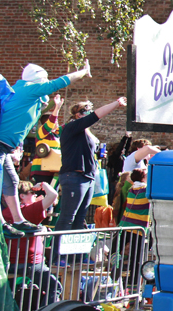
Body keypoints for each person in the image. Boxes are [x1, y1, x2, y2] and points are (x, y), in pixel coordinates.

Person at [0, 61, 91, 237]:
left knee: (12, 182)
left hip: (5, 147)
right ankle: (0, 222)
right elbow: (61, 82)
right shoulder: (30, 88)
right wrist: (83, 72)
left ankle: (18, 221)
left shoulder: (25, 93)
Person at [52, 97, 127, 264]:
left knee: (80, 218)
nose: (87, 114)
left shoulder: (85, 133)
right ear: (78, 115)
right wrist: (116, 103)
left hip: (87, 177)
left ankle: (77, 256)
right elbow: (96, 116)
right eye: (84, 112)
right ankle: (57, 256)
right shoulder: (72, 127)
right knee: (67, 217)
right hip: (74, 176)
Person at [5, 181, 62, 307]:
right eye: (32, 192)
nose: (35, 195)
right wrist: (43, 184)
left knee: (9, 292)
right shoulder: (30, 210)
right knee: (55, 287)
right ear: (21, 196)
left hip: (9, 263)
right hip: (32, 263)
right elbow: (52, 195)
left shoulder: (4, 213)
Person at [118, 168, 150, 289]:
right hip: (139, 228)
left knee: (119, 253)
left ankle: (115, 275)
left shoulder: (131, 190)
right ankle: (134, 284)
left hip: (126, 225)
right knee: (136, 257)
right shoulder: (146, 190)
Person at [29, 93, 63, 185]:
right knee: (41, 196)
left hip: (54, 170)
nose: (57, 123)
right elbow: (51, 123)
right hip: (41, 171)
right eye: (56, 121)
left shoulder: (56, 134)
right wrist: (57, 108)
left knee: (53, 196)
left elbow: (68, 127)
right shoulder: (42, 133)